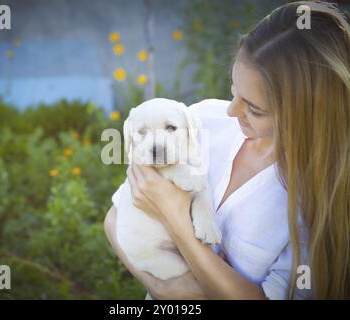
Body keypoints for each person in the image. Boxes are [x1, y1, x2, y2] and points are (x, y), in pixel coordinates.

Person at [104, 1, 350, 299]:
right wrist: (168, 290)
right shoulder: (201, 119)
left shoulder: (317, 200)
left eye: (255, 109)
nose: (232, 111)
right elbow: (116, 216)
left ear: (311, 114)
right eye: (234, 91)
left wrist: (175, 220)